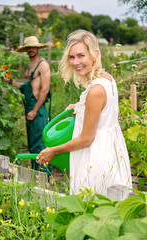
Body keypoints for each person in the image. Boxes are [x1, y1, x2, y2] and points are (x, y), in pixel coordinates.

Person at [36, 30, 132, 196]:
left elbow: (87, 139)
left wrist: (54, 150)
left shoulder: (95, 91)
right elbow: (105, 109)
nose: (75, 62)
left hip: (95, 159)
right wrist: (81, 106)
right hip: (111, 154)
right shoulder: (107, 78)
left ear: (95, 54)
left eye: (81, 55)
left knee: (92, 208)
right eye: (72, 57)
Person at [4, 36, 52, 176]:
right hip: (29, 109)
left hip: (37, 110)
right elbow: (26, 87)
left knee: (40, 145)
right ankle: (36, 176)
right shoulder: (29, 66)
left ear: (38, 48)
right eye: (28, 47)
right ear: (26, 50)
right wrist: (10, 81)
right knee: (32, 145)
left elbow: (44, 90)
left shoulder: (43, 65)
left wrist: (35, 110)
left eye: (33, 47)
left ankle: (46, 178)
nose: (31, 49)